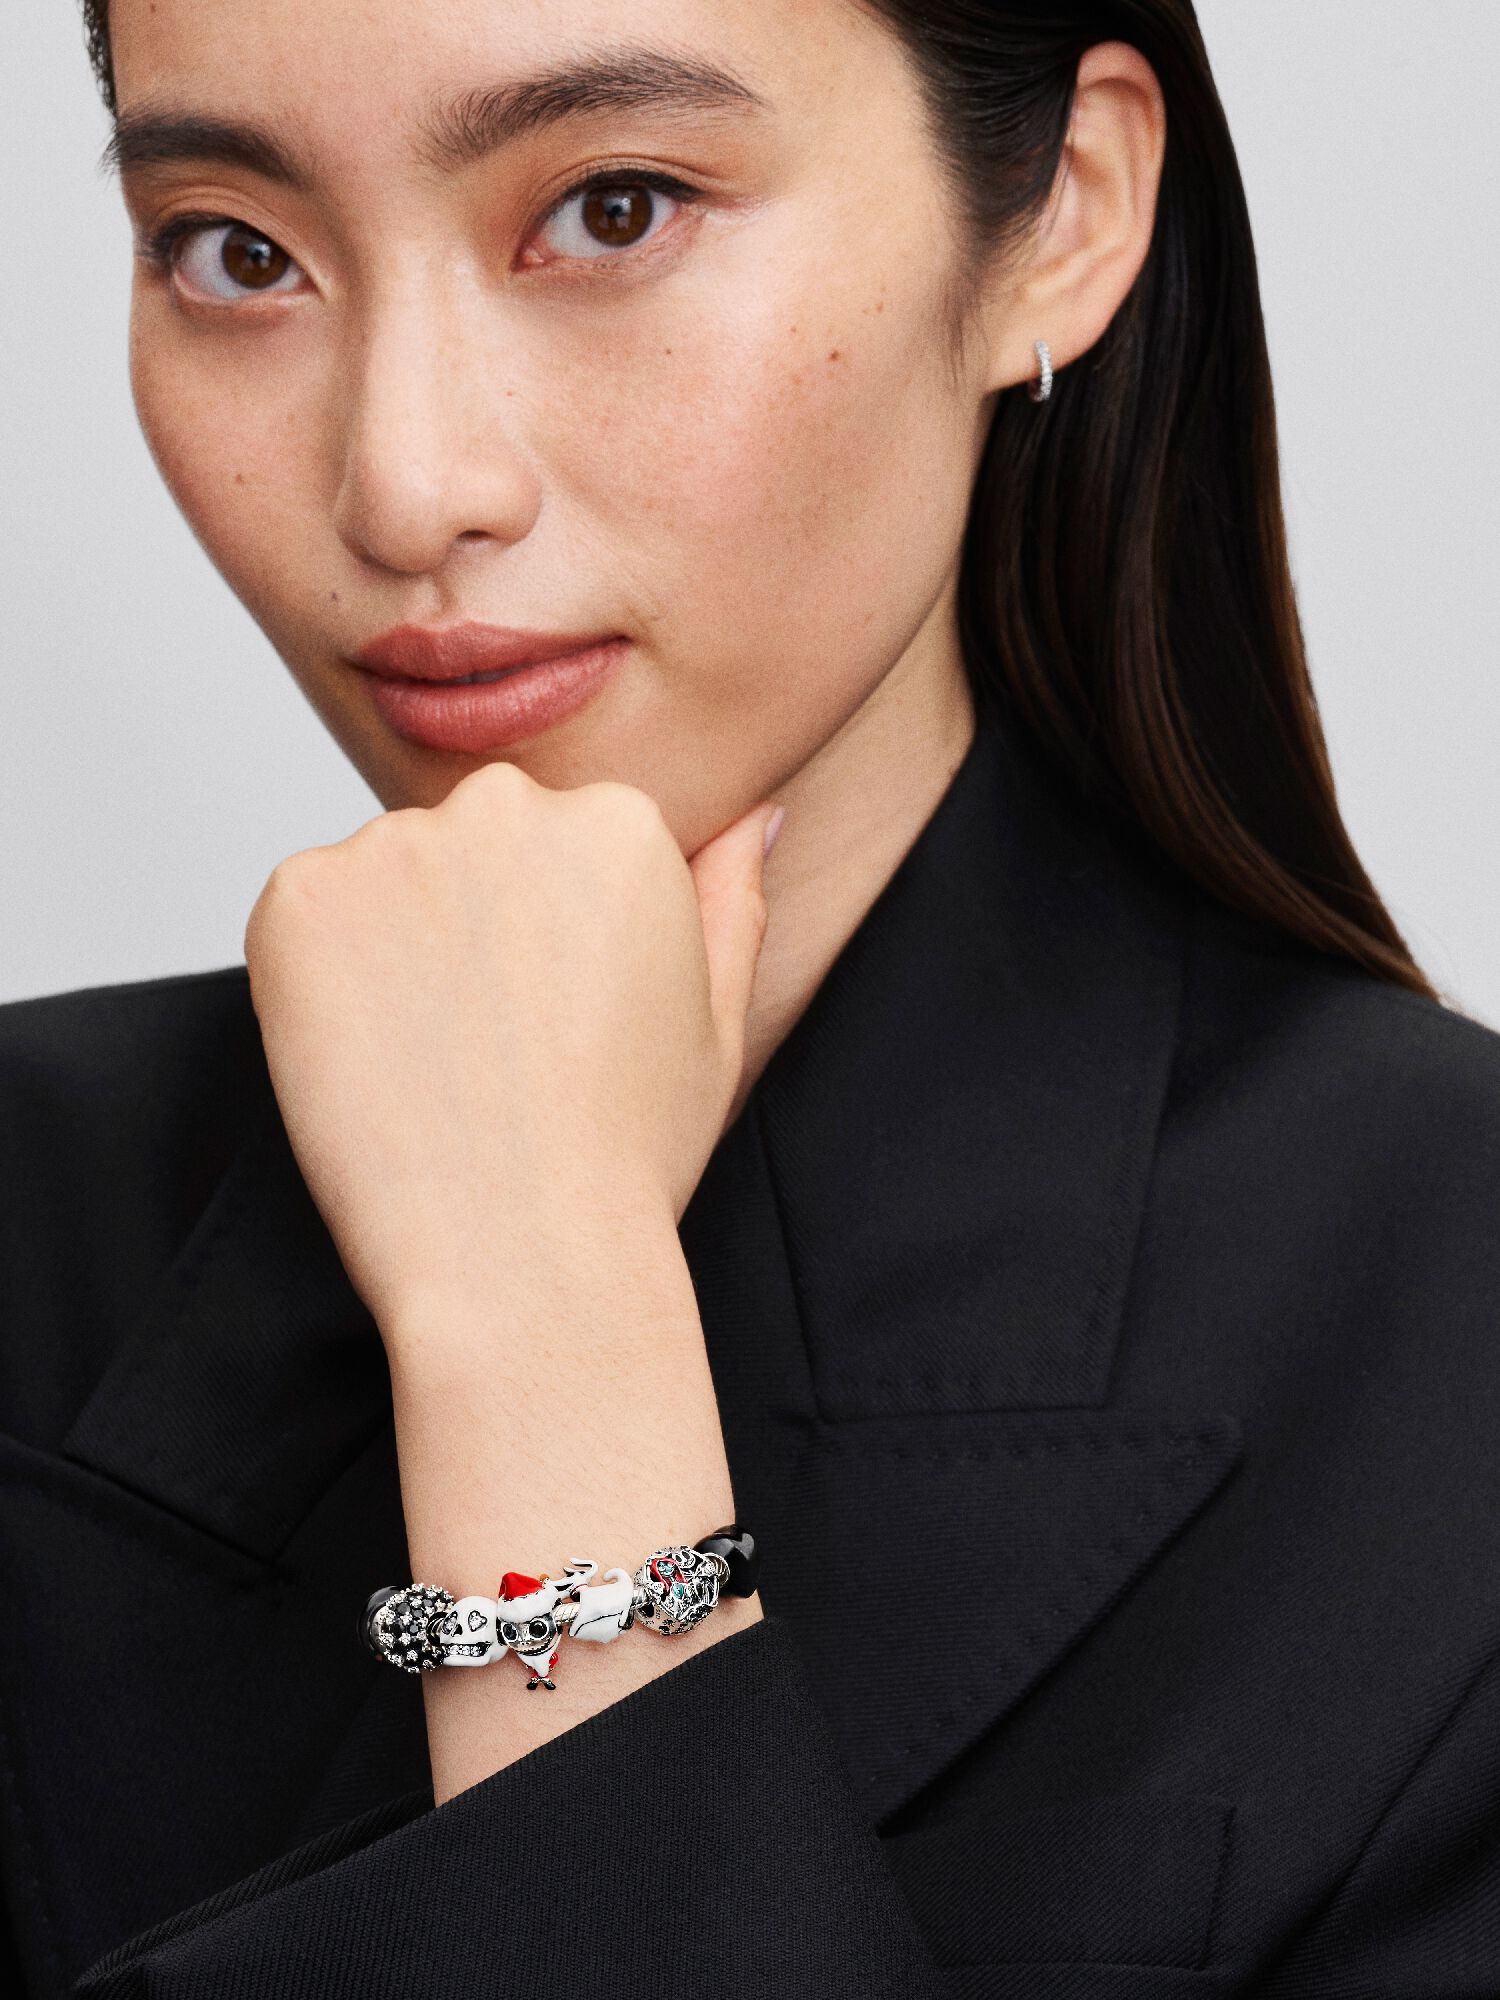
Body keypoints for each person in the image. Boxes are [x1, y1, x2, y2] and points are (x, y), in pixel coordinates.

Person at [3, 1, 1497, 1993]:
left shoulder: (1445, 1326)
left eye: (614, 209)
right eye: (236, 250)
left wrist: (538, 1329)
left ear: (1063, 209)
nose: (404, 485)